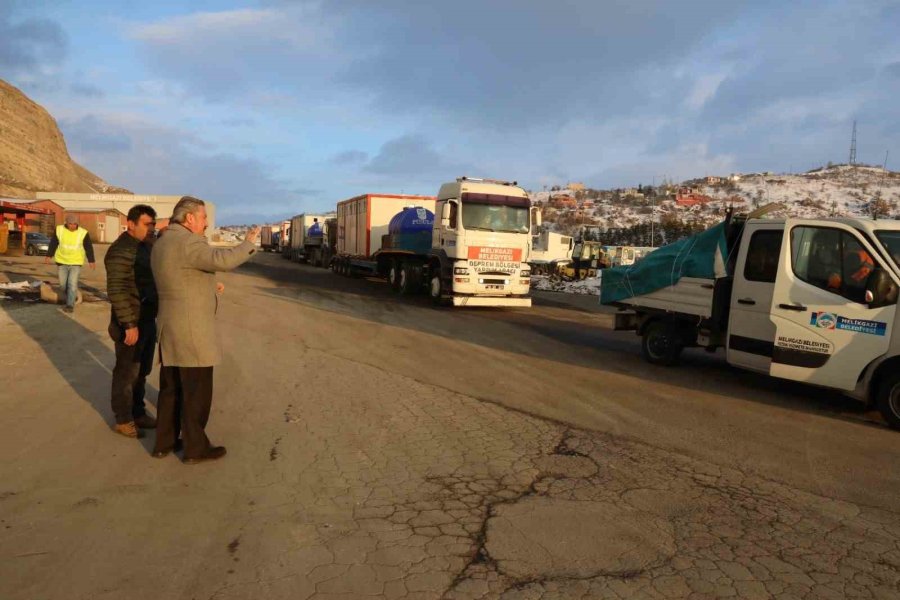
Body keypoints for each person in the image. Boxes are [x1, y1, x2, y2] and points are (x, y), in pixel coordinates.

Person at [150, 196, 259, 463]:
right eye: (203, 217)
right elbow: (221, 259)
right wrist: (248, 243)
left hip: (169, 325)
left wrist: (208, 286)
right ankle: (196, 449)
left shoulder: (163, 242)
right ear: (189, 218)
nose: (206, 223)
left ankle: (164, 443)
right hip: (191, 330)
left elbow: (180, 276)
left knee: (171, 389)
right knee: (196, 392)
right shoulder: (188, 241)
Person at [104, 205, 159, 439]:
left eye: (153, 225)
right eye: (147, 224)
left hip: (146, 318)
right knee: (127, 372)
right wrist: (128, 324)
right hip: (131, 322)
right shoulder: (120, 251)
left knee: (142, 370)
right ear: (131, 223)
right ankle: (123, 419)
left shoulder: (145, 246)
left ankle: (137, 412)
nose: (151, 229)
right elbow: (116, 289)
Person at [45, 214, 96, 312]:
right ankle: (73, 294)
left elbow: (88, 247)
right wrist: (49, 255)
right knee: (63, 285)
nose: (72, 226)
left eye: (74, 224)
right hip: (62, 262)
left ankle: (70, 305)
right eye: (70, 224)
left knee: (72, 284)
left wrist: (91, 260)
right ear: (66, 223)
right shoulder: (59, 230)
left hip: (75, 263)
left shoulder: (83, 233)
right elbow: (53, 243)